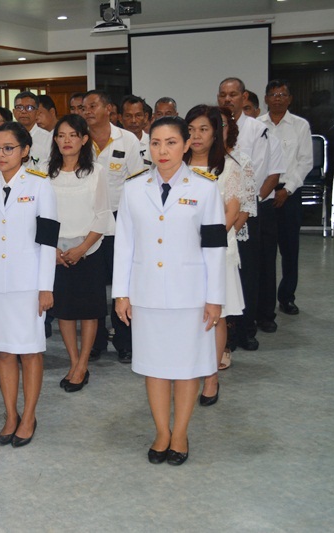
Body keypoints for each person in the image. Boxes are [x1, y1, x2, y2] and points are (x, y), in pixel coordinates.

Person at [113, 116, 227, 466]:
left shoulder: (205, 189)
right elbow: (124, 244)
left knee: (187, 367)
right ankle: (162, 432)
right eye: (156, 143)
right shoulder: (134, 188)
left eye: (171, 142)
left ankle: (180, 434)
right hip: (146, 293)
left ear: (186, 144)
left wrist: (215, 298)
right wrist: (121, 293)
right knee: (155, 366)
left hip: (189, 294)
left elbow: (214, 247)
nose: (162, 150)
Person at [0, 121, 58, 447]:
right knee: (3, 351)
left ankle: (29, 416)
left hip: (27, 283)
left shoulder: (40, 184)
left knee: (30, 351)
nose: (1, 154)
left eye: (8, 148)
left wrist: (46, 286)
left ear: (25, 150)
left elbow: (48, 240)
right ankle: (10, 414)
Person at [185, 105, 255, 405]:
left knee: (217, 315)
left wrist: (203, 242)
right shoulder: (177, 165)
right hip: (181, 254)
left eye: (203, 129)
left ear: (215, 132)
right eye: (191, 130)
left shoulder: (228, 166)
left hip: (216, 251)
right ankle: (186, 372)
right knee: (187, 314)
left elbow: (232, 211)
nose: (196, 136)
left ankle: (211, 378)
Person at [47, 115, 114, 393]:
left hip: (88, 251)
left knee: (88, 311)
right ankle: (73, 361)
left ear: (84, 139)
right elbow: (41, 216)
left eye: (73, 135)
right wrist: (52, 249)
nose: (67, 141)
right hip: (57, 253)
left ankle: (83, 363)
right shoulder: (46, 174)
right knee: (64, 311)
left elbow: (103, 215)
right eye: (61, 135)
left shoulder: (96, 172)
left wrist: (82, 248)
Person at [217, 77, 284, 347]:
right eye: (223, 94)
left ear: (244, 97)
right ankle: (223, 332)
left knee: (247, 273)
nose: (227, 99)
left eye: (233, 94)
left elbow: (260, 173)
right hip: (220, 213)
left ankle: (245, 329)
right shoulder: (213, 127)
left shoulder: (257, 129)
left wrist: (240, 211)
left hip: (247, 211)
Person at [82, 89, 145, 363]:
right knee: (93, 285)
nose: (87, 111)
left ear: (108, 109)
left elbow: (139, 181)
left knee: (122, 283)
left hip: (120, 218)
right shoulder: (80, 138)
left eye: (93, 106)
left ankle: (125, 342)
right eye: (84, 107)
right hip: (88, 220)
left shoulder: (127, 139)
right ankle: (95, 343)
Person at [258, 79, 313, 316]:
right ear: (266, 99)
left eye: (282, 94)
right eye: (273, 94)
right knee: (265, 251)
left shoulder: (300, 125)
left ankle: (287, 297)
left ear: (289, 99)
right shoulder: (258, 125)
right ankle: (264, 300)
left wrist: (287, 189)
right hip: (264, 193)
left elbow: (305, 162)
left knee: (289, 250)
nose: (277, 98)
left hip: (289, 193)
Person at [13, 91, 52, 171]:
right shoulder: (8, 137)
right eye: (19, 107)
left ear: (37, 113)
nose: (23, 111)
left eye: (29, 108)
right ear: (14, 112)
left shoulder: (49, 139)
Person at [120, 95, 152, 167]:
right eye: (128, 116)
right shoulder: (113, 143)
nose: (133, 121)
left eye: (138, 115)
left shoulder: (153, 144)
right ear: (120, 118)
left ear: (145, 117)